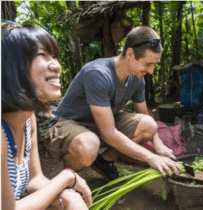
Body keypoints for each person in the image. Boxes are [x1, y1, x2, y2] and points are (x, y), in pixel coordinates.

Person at [45, 26, 182, 182]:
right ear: (130, 54)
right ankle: (66, 178)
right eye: (148, 64)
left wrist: (157, 143)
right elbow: (108, 133)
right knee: (88, 146)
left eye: (154, 65)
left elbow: (145, 114)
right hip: (67, 123)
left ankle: (104, 161)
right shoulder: (98, 73)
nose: (151, 71)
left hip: (100, 124)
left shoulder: (138, 79)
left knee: (149, 125)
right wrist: (150, 157)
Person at [1, 21, 92, 210]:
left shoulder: (27, 120)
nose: (57, 66)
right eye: (42, 55)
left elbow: (34, 180)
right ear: (13, 68)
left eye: (54, 57)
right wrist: (67, 177)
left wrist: (67, 195)